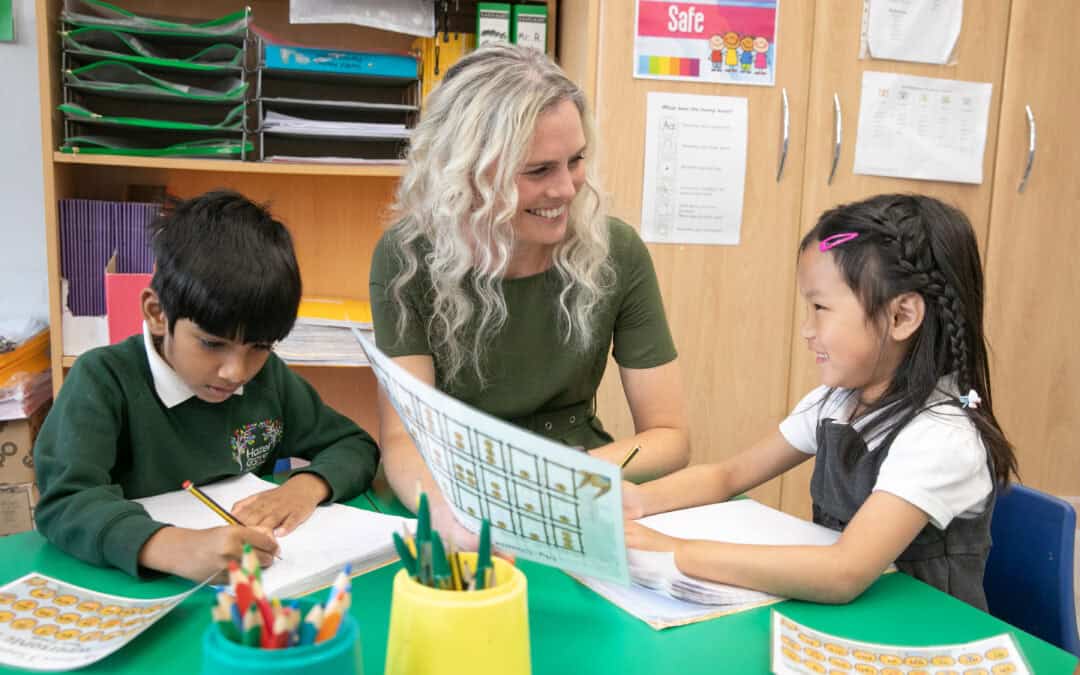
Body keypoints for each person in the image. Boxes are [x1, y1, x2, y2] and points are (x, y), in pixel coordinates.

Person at [623, 194, 1018, 609]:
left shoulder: (941, 438)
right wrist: (639, 500)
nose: (807, 330)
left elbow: (843, 571)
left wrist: (674, 551)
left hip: (925, 643)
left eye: (821, 307)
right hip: (850, 627)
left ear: (901, 317)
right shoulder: (836, 403)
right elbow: (729, 474)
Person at [370, 44, 690, 543]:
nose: (566, 189)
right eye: (539, 170)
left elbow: (669, 437)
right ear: (470, 172)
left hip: (579, 493)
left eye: (576, 161)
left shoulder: (617, 250)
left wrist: (551, 480)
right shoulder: (408, 256)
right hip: (455, 498)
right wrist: (452, 524)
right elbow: (403, 442)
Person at [34, 190, 381, 582]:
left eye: (260, 346)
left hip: (249, 592)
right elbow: (66, 502)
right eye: (212, 343)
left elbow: (353, 445)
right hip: (135, 588)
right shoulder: (103, 379)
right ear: (157, 313)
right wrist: (168, 546)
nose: (236, 372)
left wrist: (305, 487)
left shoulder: (268, 379)